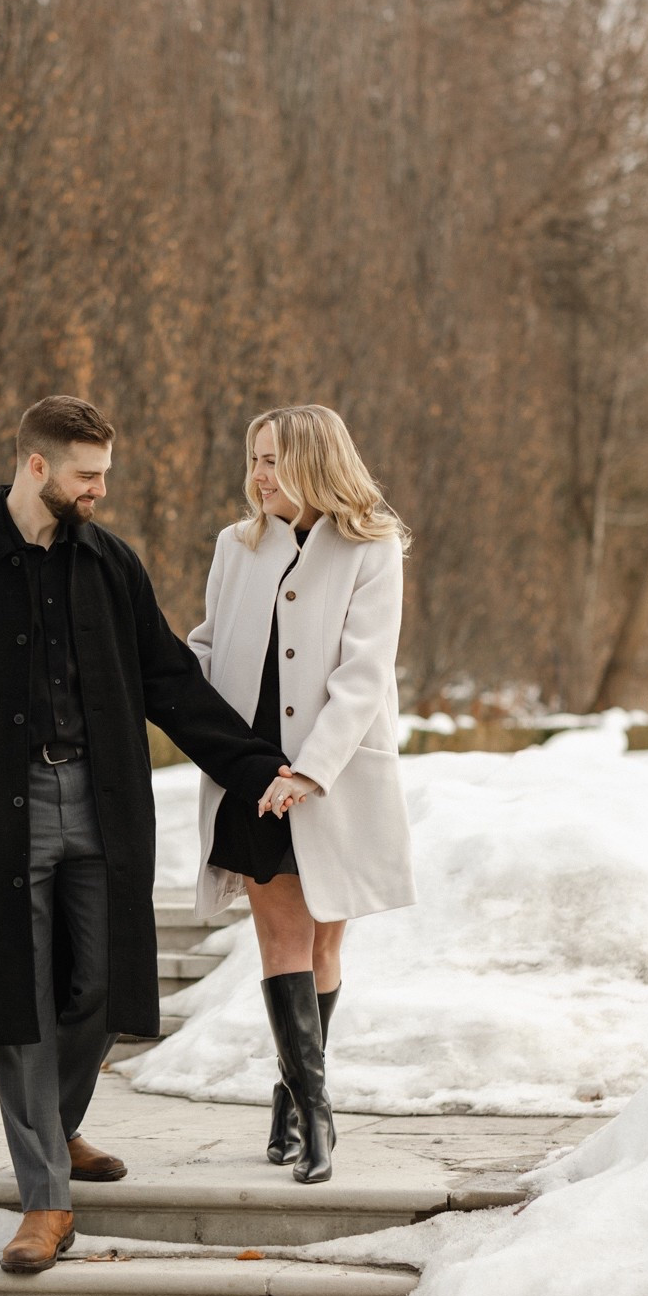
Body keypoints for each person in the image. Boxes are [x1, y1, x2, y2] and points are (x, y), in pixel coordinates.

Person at [0, 396, 286, 1275]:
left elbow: (169, 681)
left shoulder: (109, 564)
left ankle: (54, 1131)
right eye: (85, 475)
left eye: (104, 474)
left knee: (100, 987)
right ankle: (44, 1198)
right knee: (17, 1001)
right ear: (36, 467)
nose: (99, 490)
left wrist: (256, 768)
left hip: (100, 807)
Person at [188, 404, 416, 1184]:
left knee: (325, 942)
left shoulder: (370, 546)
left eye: (274, 461)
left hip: (335, 777)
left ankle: (290, 1098)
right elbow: (208, 643)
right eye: (253, 459)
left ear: (315, 464)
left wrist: (310, 771)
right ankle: (318, 1118)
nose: (258, 476)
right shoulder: (235, 545)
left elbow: (363, 674)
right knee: (282, 940)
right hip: (251, 775)